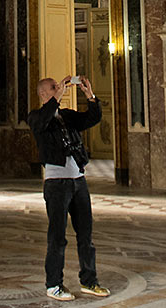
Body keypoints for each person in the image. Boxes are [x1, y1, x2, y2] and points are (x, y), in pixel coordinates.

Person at [28, 75, 110, 301]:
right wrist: (57, 97)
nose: (59, 88)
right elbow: (43, 120)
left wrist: (89, 94)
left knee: (86, 235)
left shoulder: (67, 116)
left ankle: (89, 280)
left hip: (78, 181)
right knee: (57, 236)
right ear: (44, 94)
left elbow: (92, 118)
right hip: (57, 185)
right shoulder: (36, 117)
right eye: (53, 87)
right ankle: (53, 284)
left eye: (58, 86)